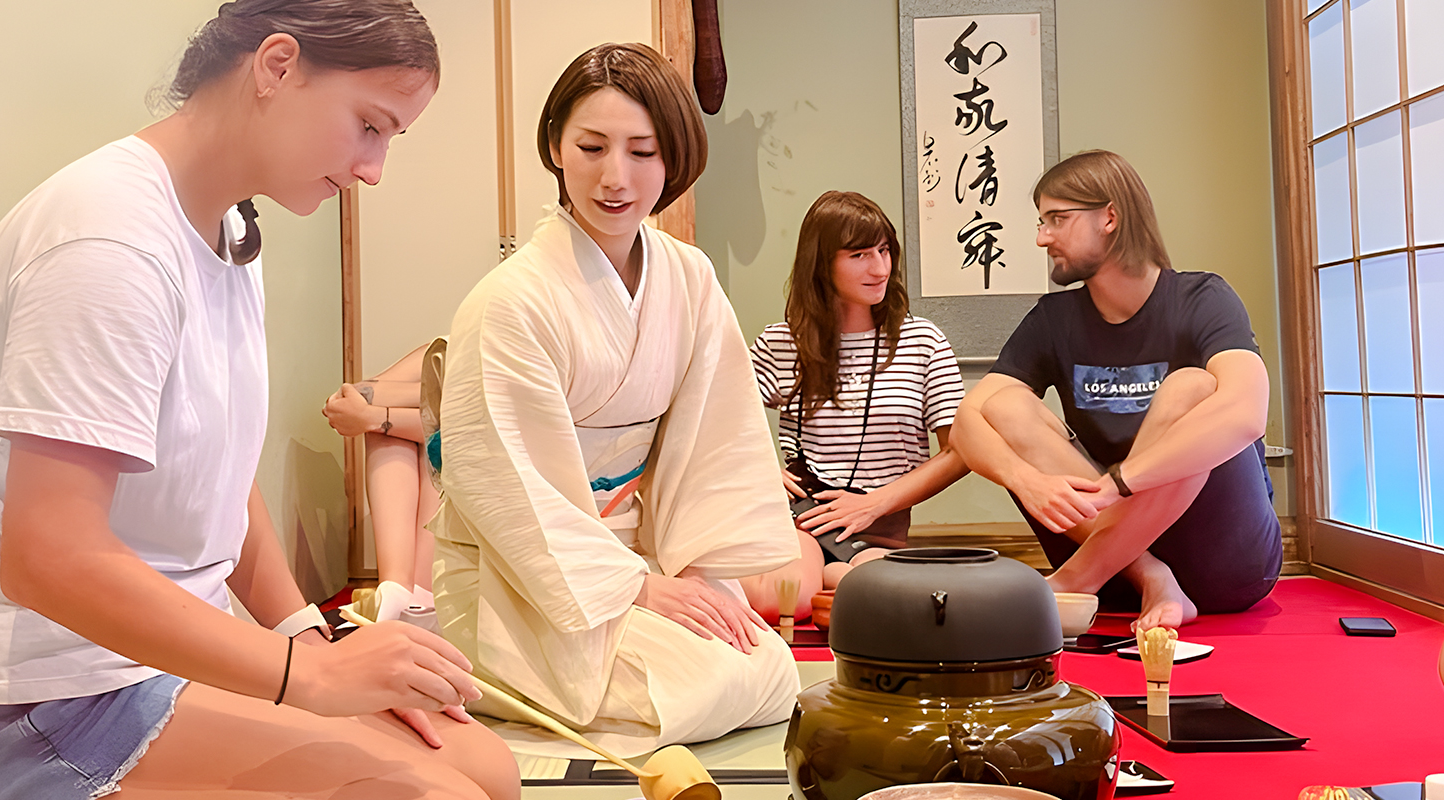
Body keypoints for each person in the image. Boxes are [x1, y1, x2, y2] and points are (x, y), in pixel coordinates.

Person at [0, 0, 518, 800]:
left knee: (487, 768)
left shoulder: (226, 231)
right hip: (34, 701)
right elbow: (47, 557)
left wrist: (307, 637)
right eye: (369, 125)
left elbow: (215, 480)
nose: (372, 170)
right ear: (278, 65)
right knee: (434, 796)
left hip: (151, 665)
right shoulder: (110, 240)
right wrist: (306, 678)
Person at [428, 42, 802, 755]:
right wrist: (636, 589)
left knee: (765, 668)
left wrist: (691, 574)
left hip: (641, 550)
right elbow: (507, 485)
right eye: (591, 147)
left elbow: (714, 436)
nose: (614, 177)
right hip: (526, 573)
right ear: (554, 148)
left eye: (642, 151)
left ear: (674, 159)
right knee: (685, 690)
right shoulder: (510, 302)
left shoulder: (687, 276)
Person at [951, 150, 1281, 632]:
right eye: (1043, 222)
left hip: (1225, 560)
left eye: (1057, 220)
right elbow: (968, 421)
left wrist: (1122, 482)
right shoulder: (1053, 319)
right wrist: (1024, 479)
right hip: (1117, 567)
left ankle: (1069, 581)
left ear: (1110, 217)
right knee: (1004, 405)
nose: (1043, 238)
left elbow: (1246, 413)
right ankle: (1151, 576)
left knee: (1191, 386)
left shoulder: (1202, 297)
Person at [741, 191, 969, 619]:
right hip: (801, 519)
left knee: (877, 599)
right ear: (822, 262)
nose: (880, 268)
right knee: (783, 598)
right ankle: (824, 581)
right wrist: (761, 472)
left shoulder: (922, 341)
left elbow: (959, 453)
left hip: (879, 530)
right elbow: (717, 419)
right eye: (860, 254)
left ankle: (837, 581)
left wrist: (875, 503)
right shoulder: (782, 342)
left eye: (884, 251)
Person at [323, 341, 443, 628]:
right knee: (400, 422)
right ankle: (398, 591)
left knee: (442, 435)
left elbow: (470, 425)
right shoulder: (446, 349)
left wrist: (374, 417)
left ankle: (414, 595)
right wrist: (374, 413)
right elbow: (348, 398)